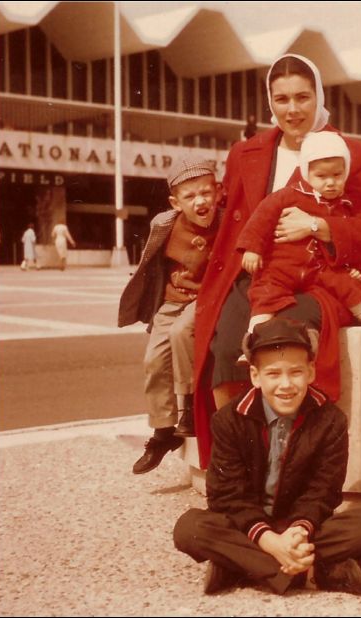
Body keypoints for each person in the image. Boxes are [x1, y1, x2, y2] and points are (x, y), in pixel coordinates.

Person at [192, 53, 361, 469]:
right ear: (270, 102)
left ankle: (289, 462)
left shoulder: (349, 153)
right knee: (226, 350)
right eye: (282, 99)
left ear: (318, 97)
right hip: (258, 274)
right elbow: (228, 219)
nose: (293, 109)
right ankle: (235, 462)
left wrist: (317, 226)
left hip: (321, 277)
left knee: (284, 347)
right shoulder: (246, 151)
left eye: (303, 97)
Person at [173, 317, 361, 596]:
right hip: (248, 525)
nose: (286, 385)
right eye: (273, 374)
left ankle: (239, 565)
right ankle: (307, 570)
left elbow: (323, 492)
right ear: (255, 376)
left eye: (296, 372)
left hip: (300, 525)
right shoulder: (229, 420)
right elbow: (227, 496)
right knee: (190, 528)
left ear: (311, 372)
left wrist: (297, 532)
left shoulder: (330, 420)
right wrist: (271, 543)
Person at [118, 155, 221, 475]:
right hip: (172, 299)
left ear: (218, 192)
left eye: (205, 193)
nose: (200, 201)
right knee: (154, 359)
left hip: (203, 298)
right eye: (189, 197)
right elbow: (153, 266)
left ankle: (187, 406)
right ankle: (163, 432)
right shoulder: (165, 224)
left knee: (181, 334)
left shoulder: (226, 223)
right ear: (175, 202)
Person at [238, 130, 361, 337]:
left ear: (346, 172)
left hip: (319, 268)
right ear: (307, 173)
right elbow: (261, 218)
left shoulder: (345, 204)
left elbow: (356, 236)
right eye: (321, 176)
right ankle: (253, 336)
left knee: (345, 283)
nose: (330, 182)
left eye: (337, 175)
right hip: (283, 266)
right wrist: (252, 248)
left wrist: (351, 267)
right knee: (265, 294)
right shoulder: (288, 196)